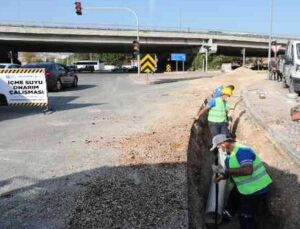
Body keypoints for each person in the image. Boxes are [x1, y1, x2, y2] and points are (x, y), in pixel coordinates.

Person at [211, 134, 272, 229]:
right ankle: (227, 216)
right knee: (233, 197)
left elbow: (248, 170)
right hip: (244, 187)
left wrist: (225, 171)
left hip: (256, 189)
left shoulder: (243, 151)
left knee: (245, 215)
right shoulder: (229, 155)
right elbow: (232, 172)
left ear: (224, 143)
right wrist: (221, 177)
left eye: (218, 146)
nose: (219, 149)